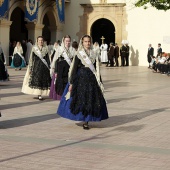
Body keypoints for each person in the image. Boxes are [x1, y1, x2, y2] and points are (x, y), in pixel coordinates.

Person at [57, 35, 108, 130]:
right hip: (80, 79)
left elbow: (97, 69)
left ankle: (87, 120)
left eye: (89, 41)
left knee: (91, 100)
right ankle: (84, 118)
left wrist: (100, 81)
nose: (87, 43)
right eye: (85, 41)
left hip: (92, 80)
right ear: (82, 42)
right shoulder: (78, 54)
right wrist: (71, 83)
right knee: (82, 99)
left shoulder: (94, 53)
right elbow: (74, 69)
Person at [21, 36, 51, 100]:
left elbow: (48, 58)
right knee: (37, 80)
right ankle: (39, 94)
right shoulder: (34, 48)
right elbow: (31, 59)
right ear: (37, 41)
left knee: (43, 80)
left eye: (42, 40)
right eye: (39, 40)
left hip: (44, 67)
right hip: (36, 67)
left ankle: (41, 93)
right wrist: (30, 67)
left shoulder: (46, 48)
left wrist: (49, 67)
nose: (41, 42)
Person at [49, 35, 75, 100]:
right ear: (63, 41)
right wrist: (54, 70)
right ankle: (62, 96)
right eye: (66, 41)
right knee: (61, 83)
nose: (68, 42)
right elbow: (55, 59)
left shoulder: (73, 50)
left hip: (69, 68)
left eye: (69, 41)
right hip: (61, 69)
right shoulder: (59, 49)